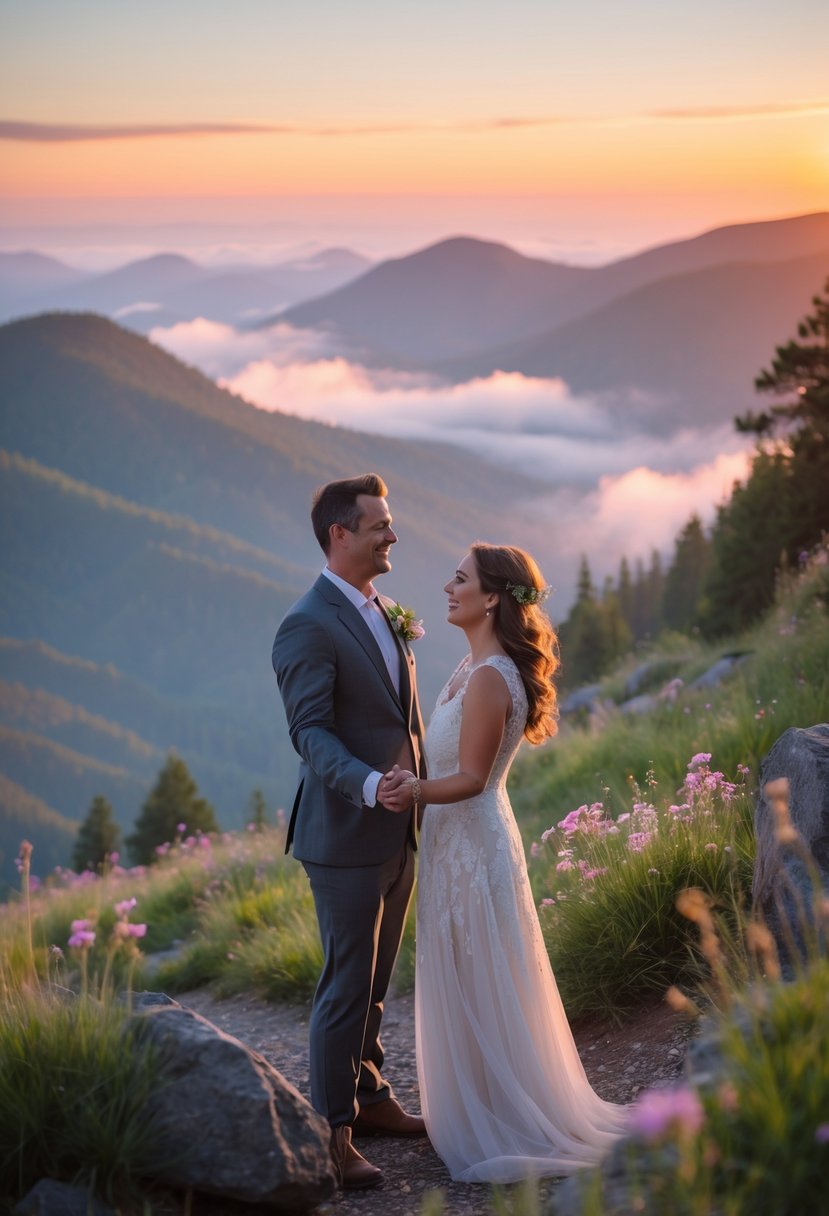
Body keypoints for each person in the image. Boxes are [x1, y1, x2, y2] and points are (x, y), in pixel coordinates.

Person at [382, 542, 629, 1182]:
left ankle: (504, 1116)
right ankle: (484, 1104)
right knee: (468, 970)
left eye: (459, 578)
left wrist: (410, 791)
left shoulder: (491, 677)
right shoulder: (470, 669)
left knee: (482, 971)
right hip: (453, 840)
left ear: (492, 597)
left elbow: (468, 778)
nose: (447, 585)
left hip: (471, 840)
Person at [272, 473, 428, 1191]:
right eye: (378, 525)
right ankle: (330, 1133)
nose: (391, 534)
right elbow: (310, 732)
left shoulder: (385, 609)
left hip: (401, 832)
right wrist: (369, 787)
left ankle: (369, 1099)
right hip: (342, 835)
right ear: (340, 535)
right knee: (343, 985)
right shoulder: (306, 623)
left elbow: (398, 719)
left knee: (375, 982)